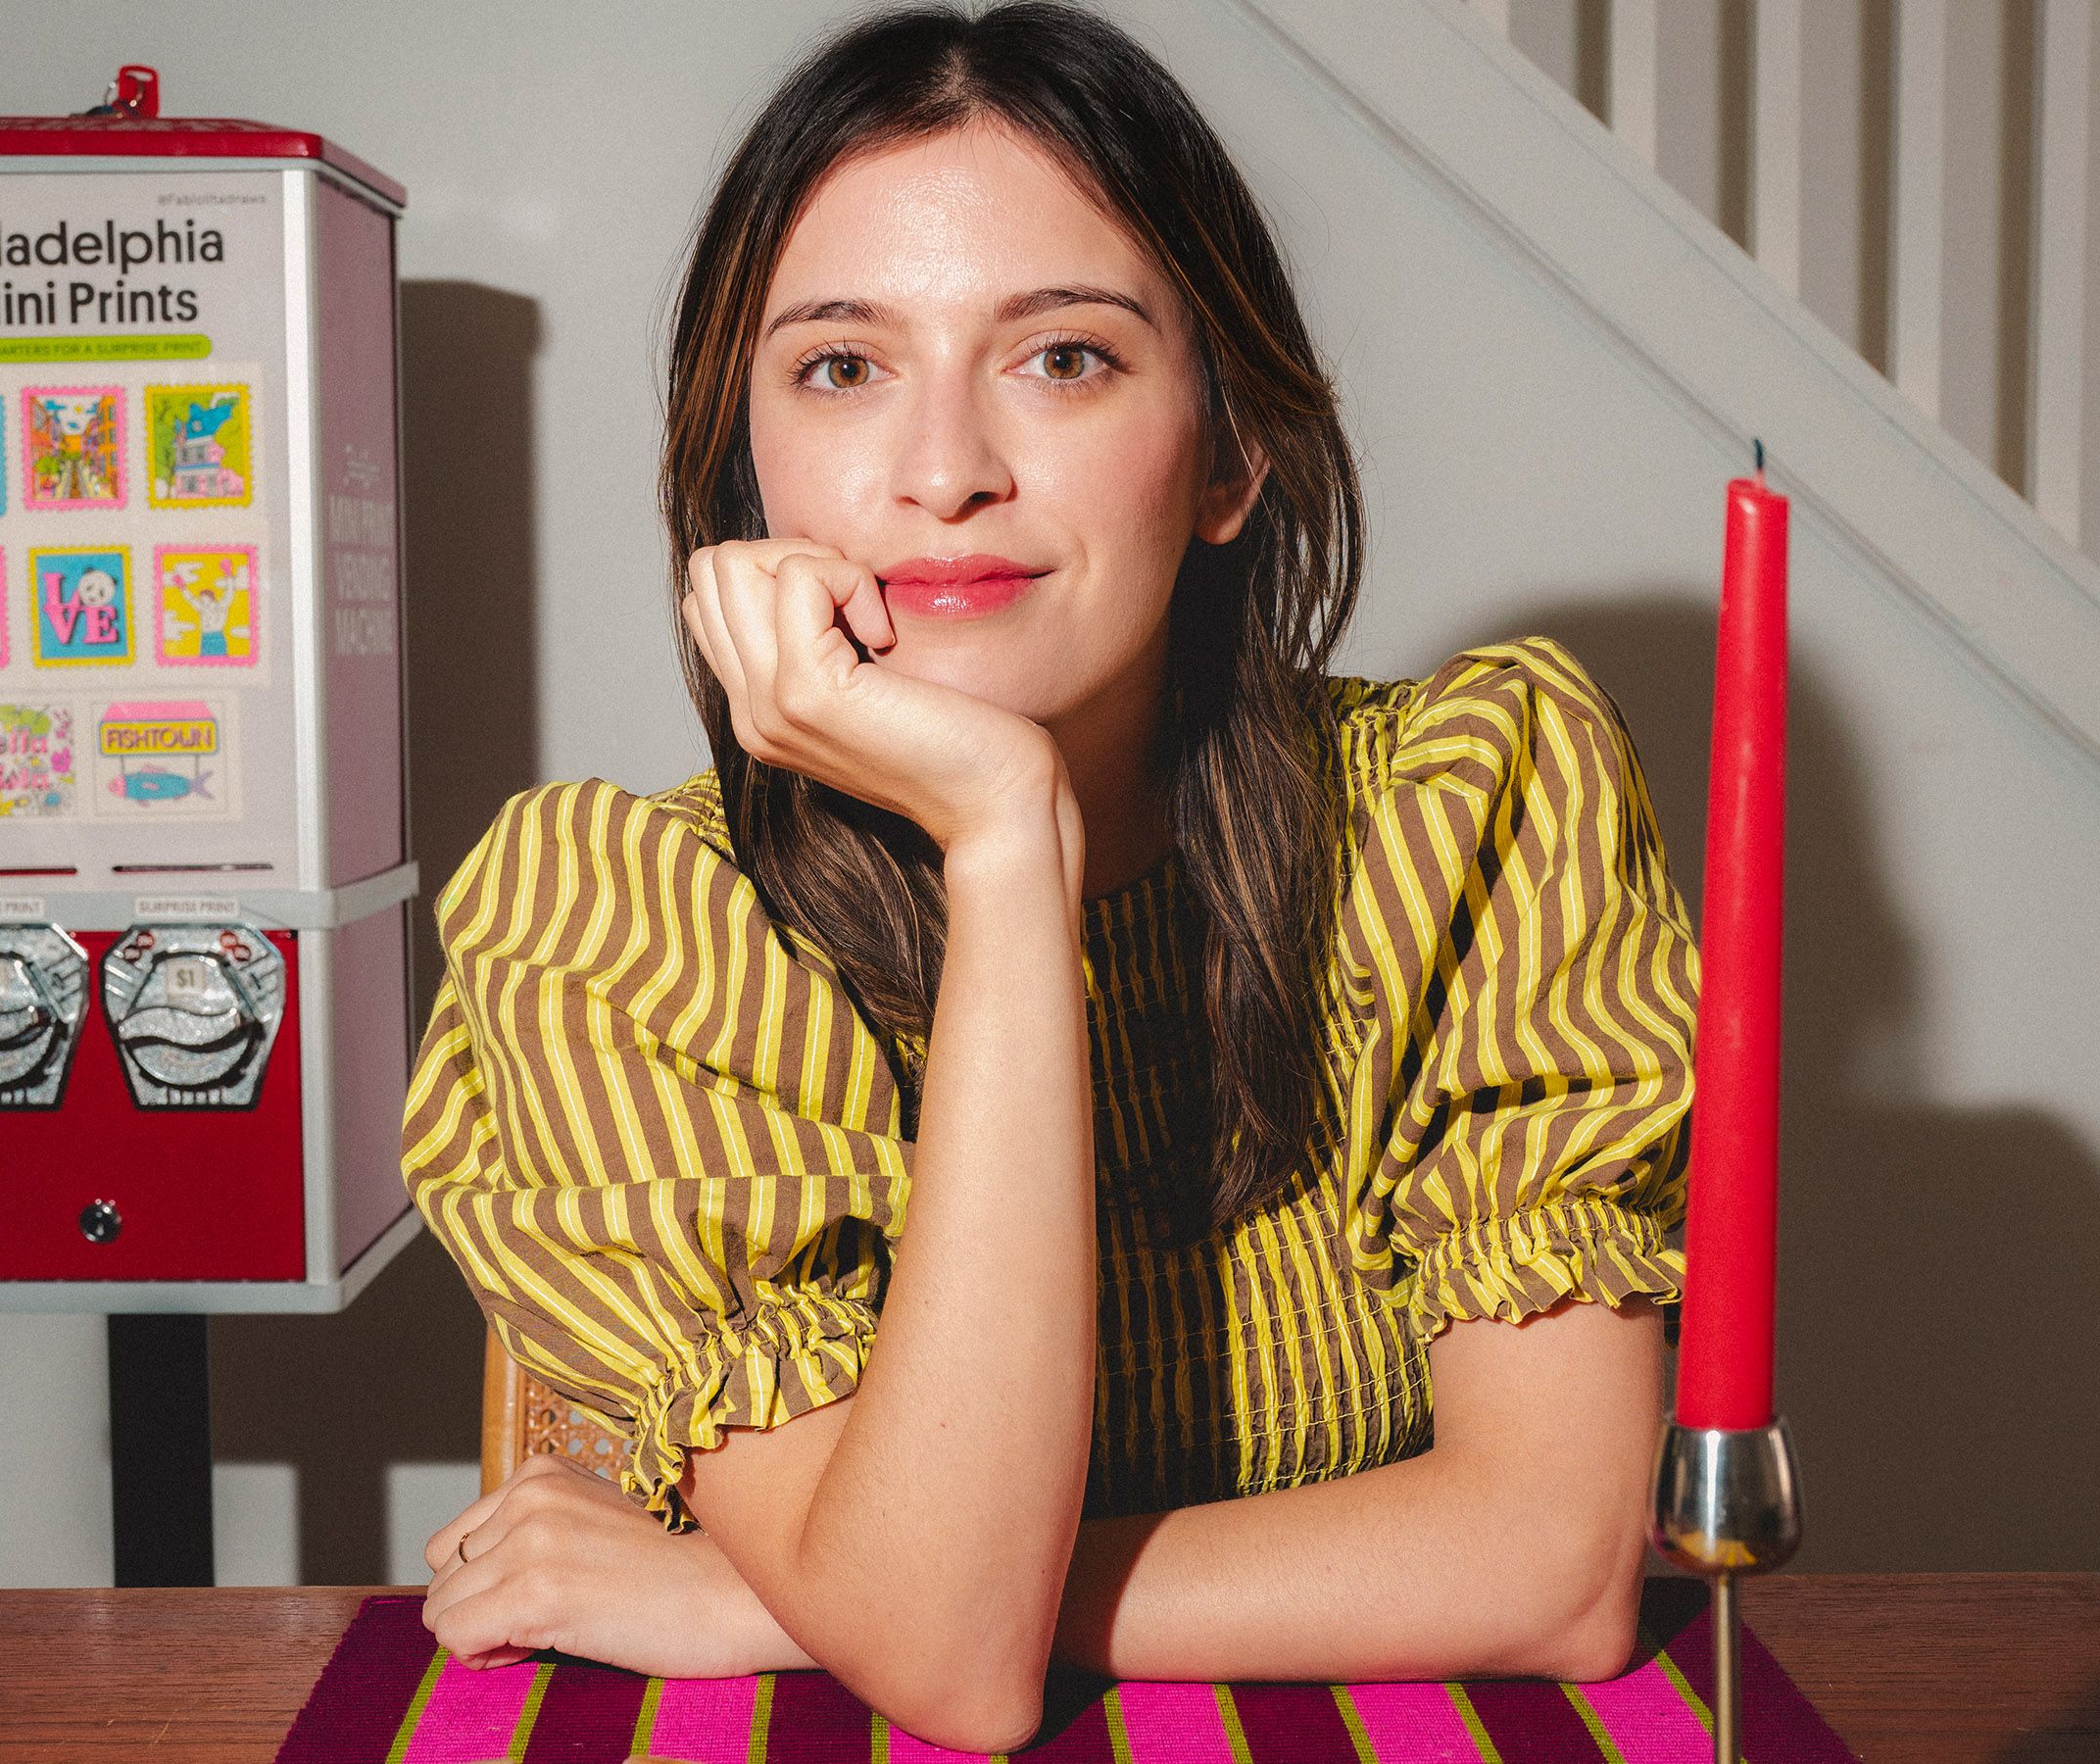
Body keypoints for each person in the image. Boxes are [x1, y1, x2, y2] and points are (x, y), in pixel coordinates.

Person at [402, 3, 1696, 1750]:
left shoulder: (1473, 809)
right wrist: (1007, 833)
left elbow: (1555, 1563)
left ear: (1230, 451)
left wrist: (774, 1602)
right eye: (842, 367)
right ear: (745, 467)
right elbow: (953, 1679)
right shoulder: (613, 923)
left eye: (1064, 357)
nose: (945, 472)